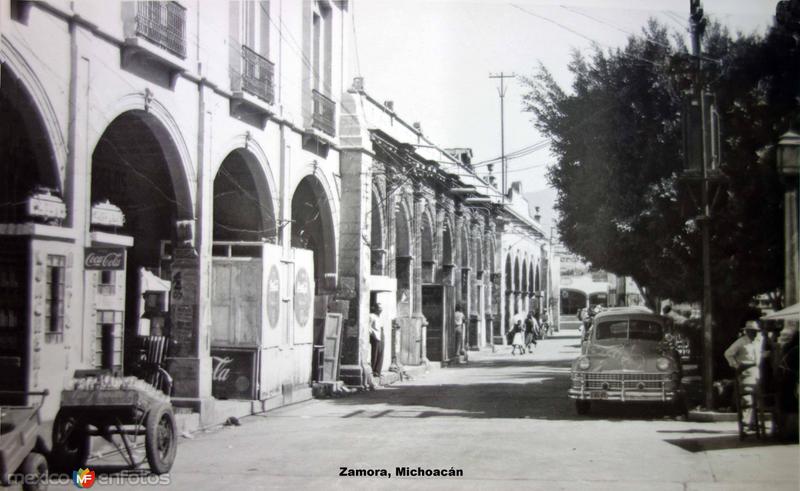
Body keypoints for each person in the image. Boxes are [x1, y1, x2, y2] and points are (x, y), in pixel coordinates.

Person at [724, 320, 763, 431]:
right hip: (745, 372)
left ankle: (753, 423)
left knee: (756, 399)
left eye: (756, 331)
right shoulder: (741, 342)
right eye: (752, 331)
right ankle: (745, 423)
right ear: (747, 331)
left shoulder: (758, 341)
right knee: (747, 399)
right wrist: (735, 365)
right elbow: (728, 353)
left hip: (756, 372)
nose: (754, 333)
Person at [369, 302, 384, 378]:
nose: (380, 310)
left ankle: (377, 371)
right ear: (375, 308)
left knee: (380, 354)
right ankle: (372, 370)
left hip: (381, 336)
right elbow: (369, 327)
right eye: (379, 308)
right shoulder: (371, 316)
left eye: (381, 308)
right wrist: (373, 335)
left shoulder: (379, 317)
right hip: (375, 337)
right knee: (374, 354)